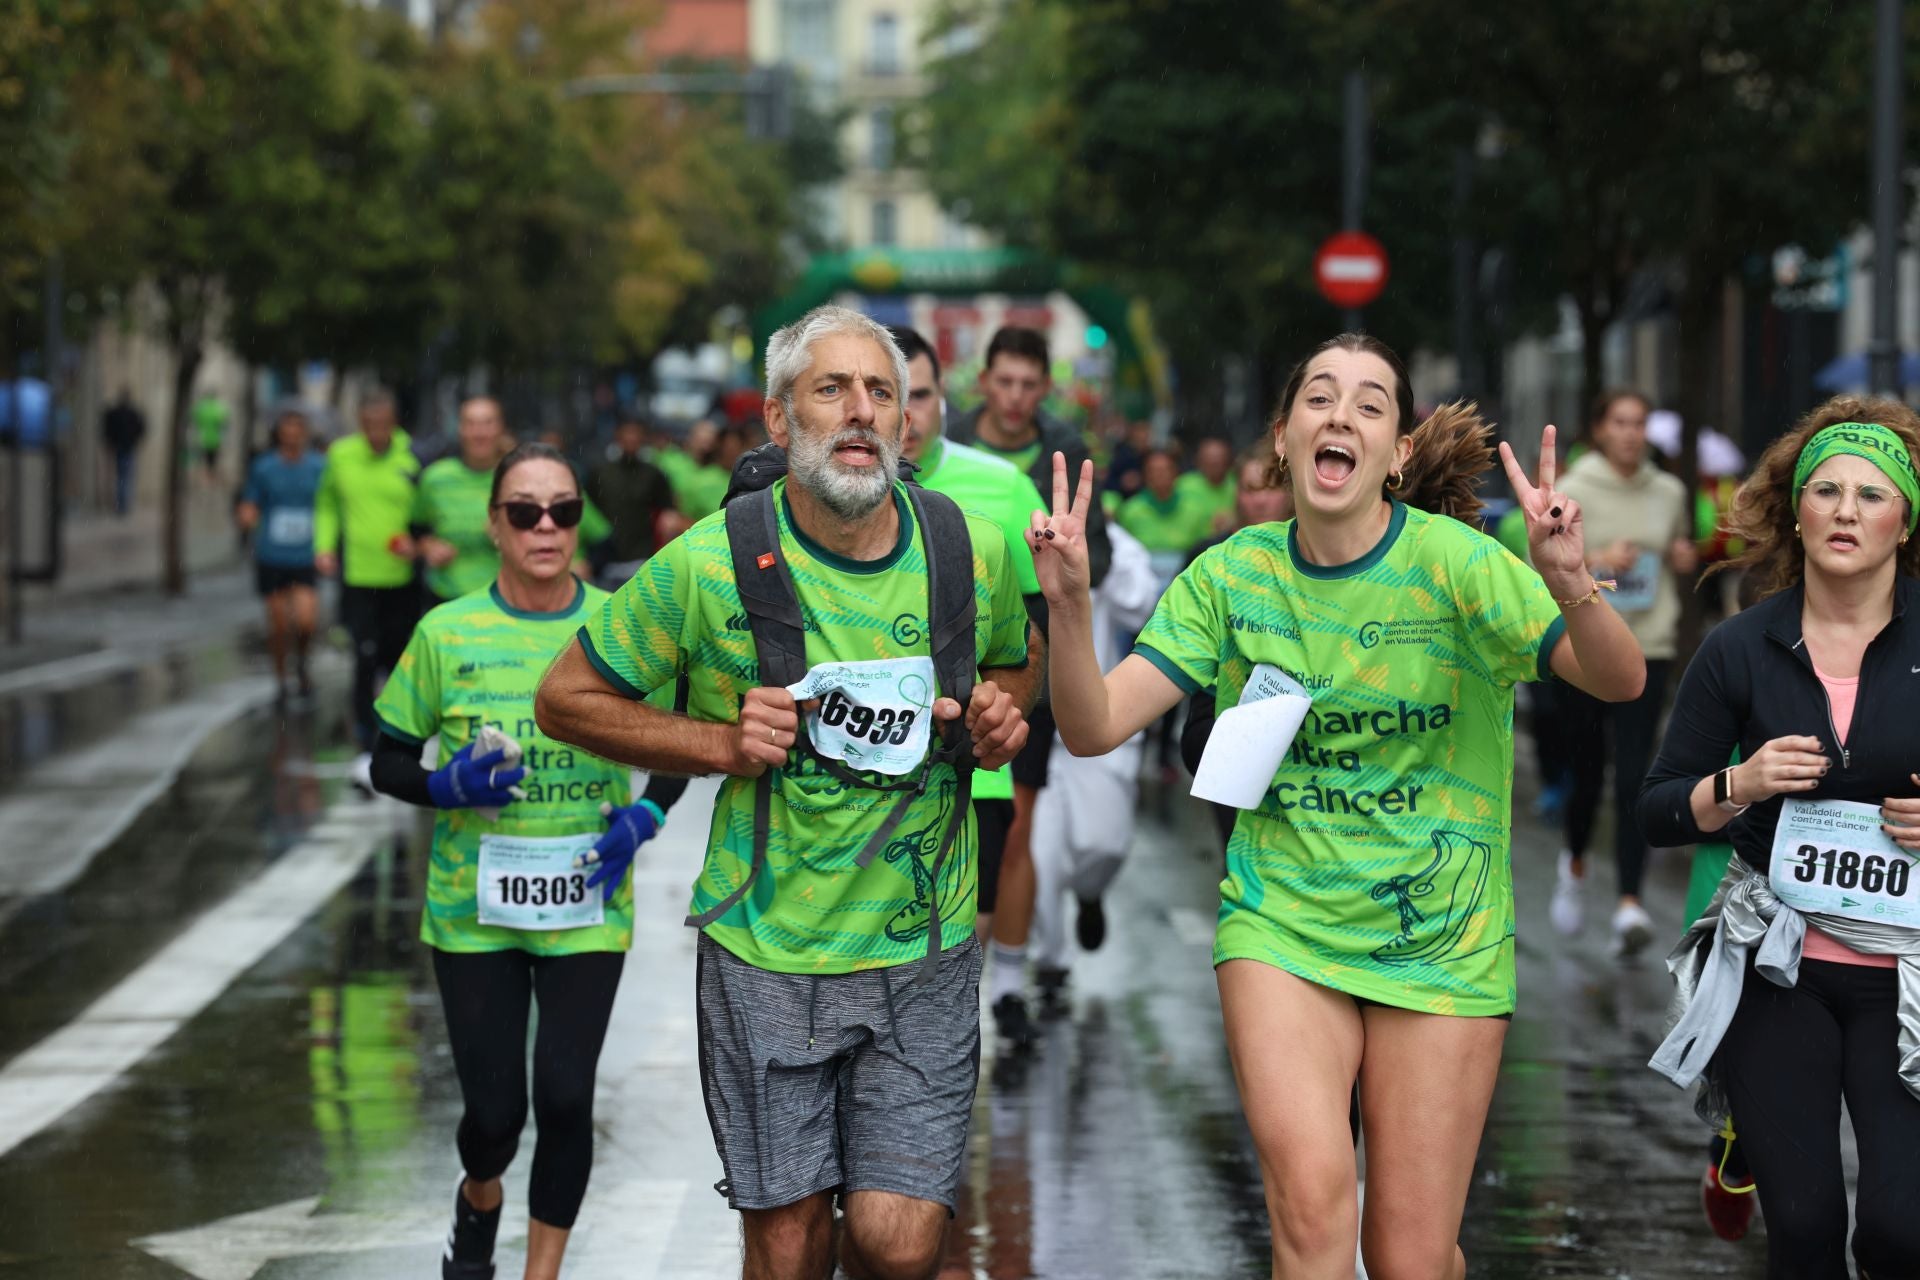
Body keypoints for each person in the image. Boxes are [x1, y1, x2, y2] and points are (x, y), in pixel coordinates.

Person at [1029, 332, 1644, 1280]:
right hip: (1284, 923)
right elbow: (1093, 725)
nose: (1340, 415)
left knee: (1406, 1256)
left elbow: (1617, 679)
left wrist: (1572, 588)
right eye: (1319, 397)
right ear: (1284, 437)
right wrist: (1069, 608)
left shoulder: (1457, 565)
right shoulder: (1234, 574)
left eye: (1369, 403)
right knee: (1314, 1214)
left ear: (1398, 451)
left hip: (1442, 934)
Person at [534, 306, 1039, 1280]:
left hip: (922, 943)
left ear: (906, 421)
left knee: (901, 1242)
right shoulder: (708, 561)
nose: (860, 411)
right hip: (766, 947)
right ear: (778, 418)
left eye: (880, 391)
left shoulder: (970, 549)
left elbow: (1020, 666)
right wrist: (720, 740)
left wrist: (1001, 713)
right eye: (831, 389)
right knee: (790, 1236)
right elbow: (565, 698)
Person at [370, 441, 684, 1280]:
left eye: (563, 510)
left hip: (588, 899)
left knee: (568, 1098)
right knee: (496, 1117)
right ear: (495, 526)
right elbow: (385, 758)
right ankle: (479, 1197)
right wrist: (448, 785)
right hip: (475, 911)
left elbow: (686, 740)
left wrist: (647, 813)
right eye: (525, 511)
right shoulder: (446, 630)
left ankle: (540, 1274)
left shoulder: (621, 624)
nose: (546, 526)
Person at [1642, 400, 1920, 1279]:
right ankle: (1740, 1143)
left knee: (1902, 1232)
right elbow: (1656, 809)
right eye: (1826, 490)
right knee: (1803, 1230)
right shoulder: (1740, 649)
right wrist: (1740, 783)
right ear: (1794, 511)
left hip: (1908, 979)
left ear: (1904, 521)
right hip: (1778, 969)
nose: (1845, 510)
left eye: (1872, 495)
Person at [947, 326, 1110, 1052]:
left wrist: (1061, 556)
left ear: (1044, 390)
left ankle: (1005, 980)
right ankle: (947, 979)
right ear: (984, 383)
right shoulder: (938, 444)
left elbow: (1091, 560)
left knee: (1013, 822)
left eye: (1027, 385)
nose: (1014, 398)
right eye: (1002, 382)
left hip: (1029, 661)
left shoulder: (1062, 455)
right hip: (950, 668)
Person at [891, 324, 1050, 949]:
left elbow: (1037, 630)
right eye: (886, 392)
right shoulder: (808, 500)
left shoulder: (1005, 489)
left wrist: (1015, 710)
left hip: (970, 773)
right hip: (844, 784)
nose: (905, 414)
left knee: (955, 960)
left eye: (920, 395)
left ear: (945, 401)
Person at [1550, 389, 1698, 956]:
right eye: (1621, 422)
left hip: (1650, 641)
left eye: (1640, 423)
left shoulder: (1669, 491)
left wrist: (1683, 557)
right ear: (1600, 429)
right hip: (1583, 647)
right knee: (1587, 772)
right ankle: (1576, 860)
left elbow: (1677, 548)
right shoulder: (1576, 489)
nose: (1632, 433)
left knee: (1637, 773)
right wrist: (1600, 560)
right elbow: (1550, 563)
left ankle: (1630, 904)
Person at [314, 389, 422, 790]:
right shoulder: (341, 455)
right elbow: (326, 503)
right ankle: (363, 745)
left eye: (384, 425)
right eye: (369, 425)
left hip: (403, 580)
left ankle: (395, 743)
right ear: (360, 424)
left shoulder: (413, 457)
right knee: (363, 661)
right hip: (358, 579)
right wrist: (324, 547)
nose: (377, 433)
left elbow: (427, 509)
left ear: (394, 423)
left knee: (398, 666)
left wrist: (419, 541)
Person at [236, 409, 326, 702]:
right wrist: (247, 513)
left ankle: (301, 662)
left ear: (305, 432)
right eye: (287, 428)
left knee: (305, 622)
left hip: (305, 555)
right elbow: (250, 499)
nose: (293, 434)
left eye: (298, 428)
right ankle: (280, 681)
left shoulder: (319, 466)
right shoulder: (264, 467)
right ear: (279, 433)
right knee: (277, 626)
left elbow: (330, 503)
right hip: (272, 555)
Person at [415, 397, 515, 607]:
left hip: (507, 599)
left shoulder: (519, 478)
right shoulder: (435, 477)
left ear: (501, 429)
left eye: (488, 423)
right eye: (471, 424)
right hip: (446, 596)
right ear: (459, 429)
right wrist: (428, 547)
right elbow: (415, 529)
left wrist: (509, 537)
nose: (479, 433)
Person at [584, 414, 674, 589]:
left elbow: (668, 514)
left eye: (636, 434)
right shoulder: (600, 473)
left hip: (642, 558)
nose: (631, 438)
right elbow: (587, 514)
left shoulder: (654, 474)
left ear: (643, 438)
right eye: (627, 433)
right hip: (605, 560)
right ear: (617, 436)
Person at [1117, 447, 1215, 579]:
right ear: (1145, 475)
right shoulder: (1130, 510)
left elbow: (1205, 552)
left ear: (1176, 473)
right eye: (1153, 471)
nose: (1159, 475)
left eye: (1165, 470)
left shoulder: (1195, 510)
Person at [1176, 435, 1238, 535]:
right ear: (1199, 461)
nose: (1215, 465)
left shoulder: (1238, 485)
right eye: (1210, 461)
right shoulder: (1183, 486)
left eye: (1219, 460)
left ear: (1228, 462)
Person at [101, 389, 146, 516]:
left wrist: (111, 442)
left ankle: (122, 504)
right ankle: (123, 504)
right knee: (126, 477)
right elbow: (141, 428)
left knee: (121, 477)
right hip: (127, 447)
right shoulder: (132, 413)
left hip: (120, 448)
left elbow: (107, 429)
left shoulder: (116, 413)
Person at [192, 388, 230, 481]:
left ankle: (202, 477)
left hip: (202, 438)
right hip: (215, 439)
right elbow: (224, 422)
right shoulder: (218, 408)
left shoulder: (201, 408)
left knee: (203, 459)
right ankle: (210, 476)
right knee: (212, 460)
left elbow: (195, 420)